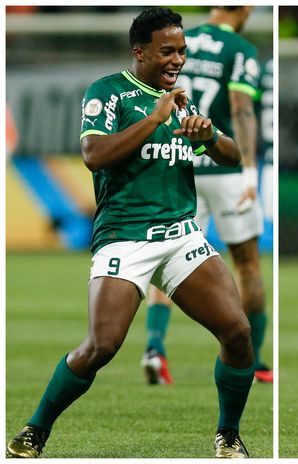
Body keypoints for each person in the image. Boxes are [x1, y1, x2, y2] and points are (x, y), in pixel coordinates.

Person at [6, 8, 256, 458]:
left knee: (238, 332)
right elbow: (94, 154)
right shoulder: (109, 92)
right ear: (140, 52)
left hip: (182, 235)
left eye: (181, 50)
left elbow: (231, 155)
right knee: (102, 346)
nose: (177, 60)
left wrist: (207, 136)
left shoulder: (181, 99)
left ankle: (228, 434)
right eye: (167, 51)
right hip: (125, 236)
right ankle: (35, 429)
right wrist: (155, 120)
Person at [141, 5, 272, 386]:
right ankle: (255, 360)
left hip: (182, 163)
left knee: (164, 258)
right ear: (245, 8)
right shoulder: (241, 49)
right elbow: (241, 109)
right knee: (247, 264)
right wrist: (250, 169)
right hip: (225, 164)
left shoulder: (177, 42)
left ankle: (154, 347)